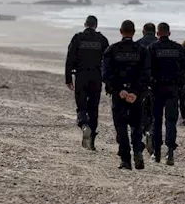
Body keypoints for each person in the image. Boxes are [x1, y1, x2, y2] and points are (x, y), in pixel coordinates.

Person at [102, 20, 151, 170]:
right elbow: (146, 74)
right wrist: (136, 92)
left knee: (121, 127)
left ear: (120, 31)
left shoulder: (112, 49)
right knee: (137, 125)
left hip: (119, 96)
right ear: (134, 32)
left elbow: (106, 73)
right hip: (136, 96)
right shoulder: (142, 50)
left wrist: (119, 90)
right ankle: (137, 150)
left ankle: (125, 160)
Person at [65, 15, 109, 151]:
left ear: (85, 24)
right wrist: (108, 81)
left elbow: (70, 58)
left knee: (81, 106)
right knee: (93, 108)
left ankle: (84, 125)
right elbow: (108, 62)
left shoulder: (78, 38)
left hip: (81, 76)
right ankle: (92, 142)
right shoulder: (102, 40)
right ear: (96, 25)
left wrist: (68, 79)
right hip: (96, 77)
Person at [148, 22, 185, 165]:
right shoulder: (178, 48)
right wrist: (180, 84)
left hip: (157, 89)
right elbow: (184, 68)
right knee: (171, 121)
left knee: (156, 121)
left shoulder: (152, 48)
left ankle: (156, 153)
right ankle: (170, 152)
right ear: (169, 33)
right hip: (172, 89)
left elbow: (147, 68)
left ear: (157, 33)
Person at [136, 22, 158, 152]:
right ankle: (151, 133)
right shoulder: (158, 44)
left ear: (143, 32)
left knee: (141, 112)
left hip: (141, 85)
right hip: (157, 84)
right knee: (155, 113)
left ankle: (146, 131)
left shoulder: (138, 44)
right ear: (155, 32)